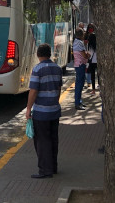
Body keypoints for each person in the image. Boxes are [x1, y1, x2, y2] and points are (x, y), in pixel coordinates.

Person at [26, 43, 63, 178]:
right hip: (54, 110)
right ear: (49, 54)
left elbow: (33, 91)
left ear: (38, 55)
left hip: (41, 113)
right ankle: (53, 167)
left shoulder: (37, 69)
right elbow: (58, 89)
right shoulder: (57, 68)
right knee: (53, 139)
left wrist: (28, 109)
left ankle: (45, 170)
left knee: (42, 141)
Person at [72, 28, 89, 110]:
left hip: (78, 64)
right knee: (79, 84)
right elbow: (84, 55)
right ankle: (77, 103)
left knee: (80, 83)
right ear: (82, 35)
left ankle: (79, 101)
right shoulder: (79, 43)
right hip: (80, 64)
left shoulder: (76, 41)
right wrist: (88, 55)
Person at [86, 23, 98, 92]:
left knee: (92, 75)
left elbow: (89, 54)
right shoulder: (97, 46)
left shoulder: (90, 46)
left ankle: (93, 89)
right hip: (97, 60)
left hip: (92, 61)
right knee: (99, 75)